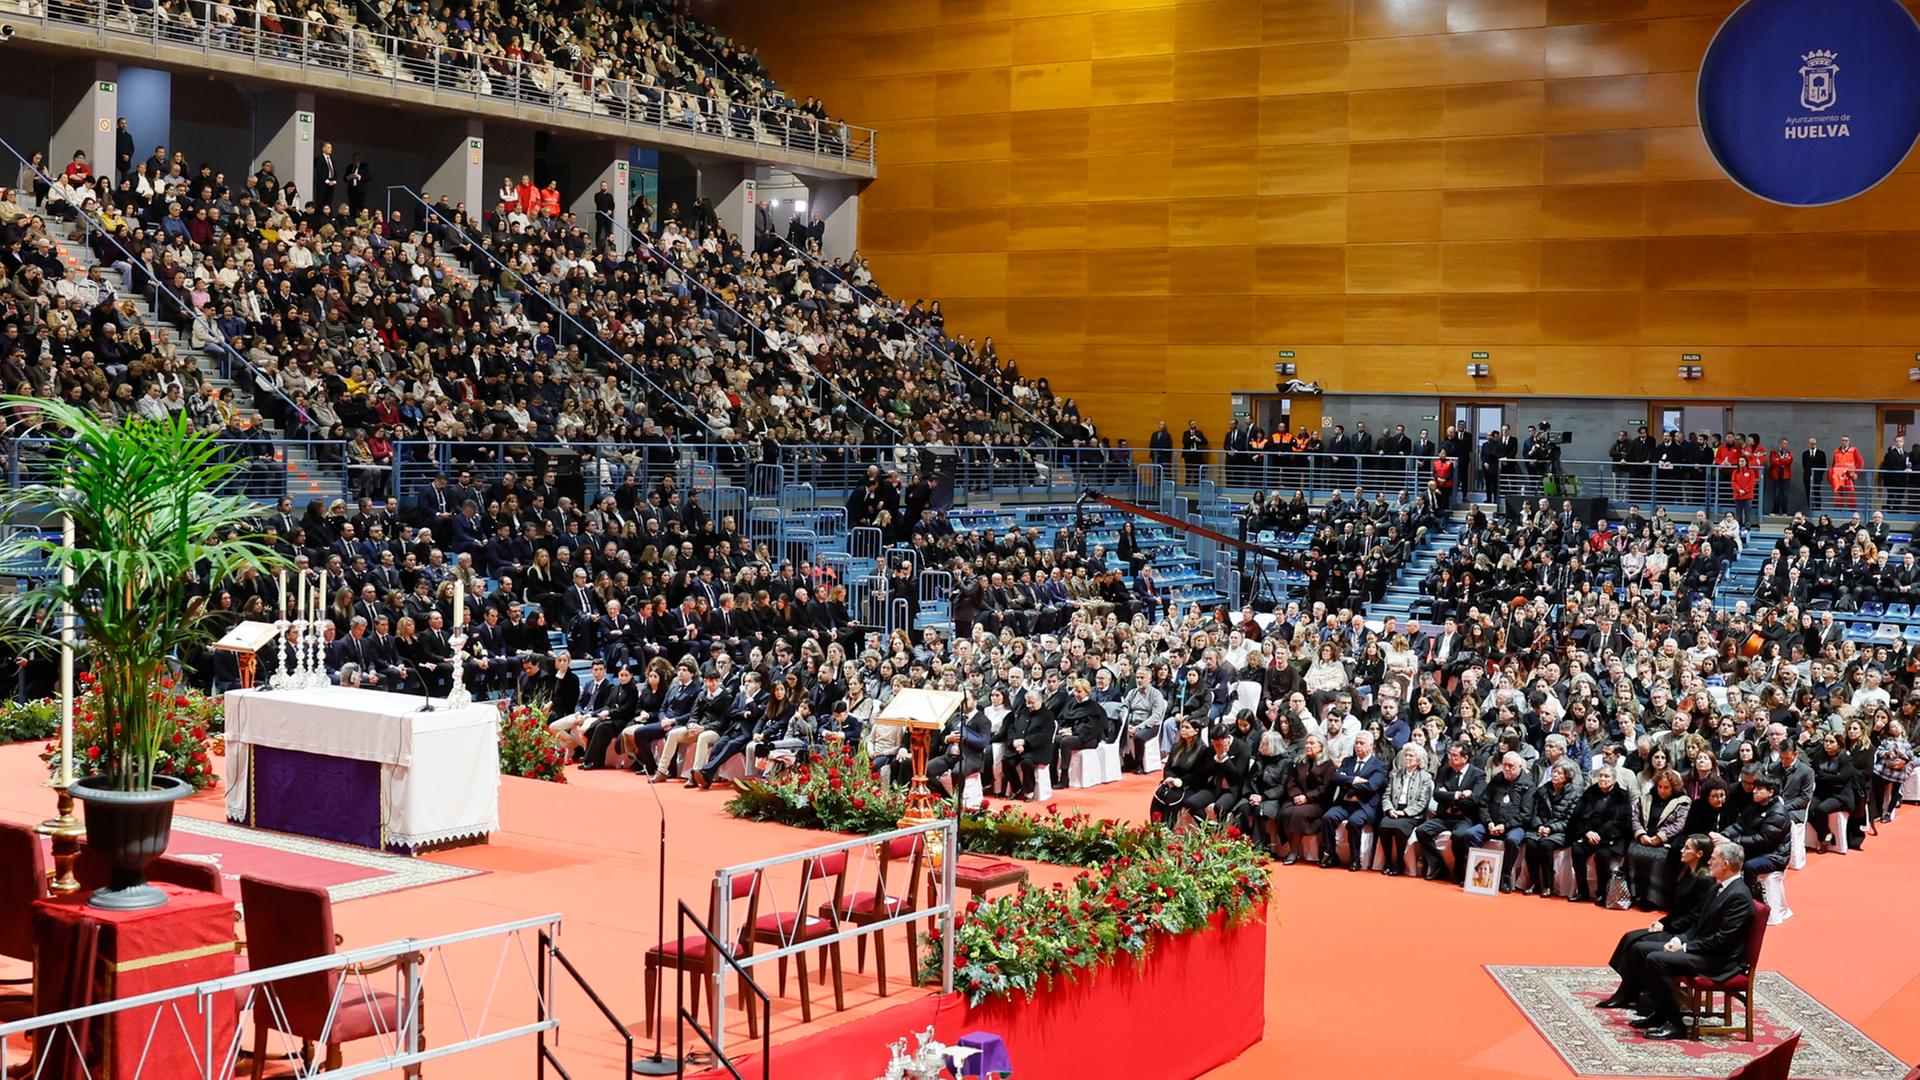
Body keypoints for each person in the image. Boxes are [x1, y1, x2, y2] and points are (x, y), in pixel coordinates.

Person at [1616, 841, 1754, 1040]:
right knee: (1640, 949)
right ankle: (1660, 1012)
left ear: (1725, 864)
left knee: (1656, 960)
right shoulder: (1718, 887)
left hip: (1719, 960)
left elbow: (1723, 941)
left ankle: (1675, 1023)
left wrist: (1686, 947)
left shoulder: (1739, 896)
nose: (1709, 861)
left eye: (1713, 858)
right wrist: (1679, 939)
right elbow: (1699, 924)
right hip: (1704, 948)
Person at [1596, 834, 1717, 1011]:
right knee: (1629, 937)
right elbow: (1677, 908)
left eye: (1687, 848)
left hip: (1686, 932)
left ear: (1699, 854)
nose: (1682, 850)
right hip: (1675, 924)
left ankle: (1632, 992)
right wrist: (1662, 922)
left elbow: (1694, 916)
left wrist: (1667, 926)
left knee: (1640, 944)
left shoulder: (1705, 879)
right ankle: (1629, 989)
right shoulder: (1687, 872)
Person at [1417, 742, 1488, 882]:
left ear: (1465, 758)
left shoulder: (1478, 775)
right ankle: (1438, 865)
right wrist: (1458, 795)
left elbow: (1474, 800)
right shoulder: (1445, 771)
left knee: (1460, 835)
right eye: (1450, 754)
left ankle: (1458, 868)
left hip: (1464, 817)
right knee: (1421, 830)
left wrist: (1448, 796)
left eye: (1454, 755)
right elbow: (1437, 795)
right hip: (1445, 815)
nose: (1450, 758)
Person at [1623, 768, 1690, 910]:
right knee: (1633, 852)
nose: (1662, 790)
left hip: (1666, 843)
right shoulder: (1646, 798)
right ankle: (1634, 894)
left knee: (1658, 858)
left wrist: (1660, 838)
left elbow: (1679, 825)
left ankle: (1653, 898)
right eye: (1659, 787)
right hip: (1645, 838)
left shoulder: (1682, 801)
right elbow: (1635, 817)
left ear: (1673, 788)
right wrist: (1641, 834)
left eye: (1666, 788)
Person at [1321, 730, 1387, 871]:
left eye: (1362, 743)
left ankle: (1355, 859)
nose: (1358, 746)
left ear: (1371, 746)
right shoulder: (1348, 761)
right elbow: (1335, 777)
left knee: (1354, 822)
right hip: (1344, 803)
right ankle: (1330, 855)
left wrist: (1348, 783)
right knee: (1328, 817)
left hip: (1364, 805)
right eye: (1356, 743)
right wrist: (1355, 780)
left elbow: (1371, 786)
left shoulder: (1379, 765)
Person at [1568, 764, 1633, 905]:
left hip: (1611, 837)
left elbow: (1621, 822)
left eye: (1607, 776)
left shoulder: (1622, 796)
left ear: (1614, 779)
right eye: (1600, 776)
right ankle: (1583, 891)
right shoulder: (1590, 792)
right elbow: (1578, 816)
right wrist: (1587, 832)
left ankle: (1602, 893)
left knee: (1602, 855)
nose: (1603, 779)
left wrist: (1601, 834)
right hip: (1589, 834)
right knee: (1577, 850)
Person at [1273, 732, 1336, 863]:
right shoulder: (1300, 761)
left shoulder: (1328, 764)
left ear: (1321, 746)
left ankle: (1294, 851)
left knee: (1297, 814)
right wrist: (1296, 795)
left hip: (1318, 802)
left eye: (1312, 743)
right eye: (1307, 743)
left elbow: (1325, 788)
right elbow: (1291, 782)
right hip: (1297, 799)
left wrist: (1306, 797)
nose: (1308, 746)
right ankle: (1291, 846)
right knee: (1284, 812)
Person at [1522, 760, 1580, 897]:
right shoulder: (1542, 790)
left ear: (1567, 777)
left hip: (1560, 831)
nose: (1555, 775)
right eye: (1554, 771)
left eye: (1559, 773)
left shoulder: (1575, 794)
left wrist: (1550, 829)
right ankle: (1535, 882)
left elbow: (1570, 820)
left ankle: (1548, 885)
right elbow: (1534, 813)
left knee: (1545, 845)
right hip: (1541, 828)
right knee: (1531, 844)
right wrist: (1539, 826)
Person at [1376, 742, 1433, 876]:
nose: (1407, 758)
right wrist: (1389, 809)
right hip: (1394, 809)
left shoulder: (1425, 777)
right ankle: (1388, 861)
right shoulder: (1395, 775)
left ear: (1419, 760)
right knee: (1384, 826)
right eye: (1405, 755)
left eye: (1411, 756)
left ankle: (1400, 862)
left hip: (1412, 814)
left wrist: (1405, 812)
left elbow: (1422, 802)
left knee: (1399, 829)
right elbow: (1386, 795)